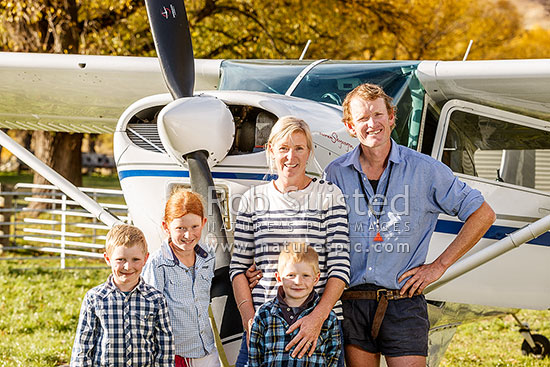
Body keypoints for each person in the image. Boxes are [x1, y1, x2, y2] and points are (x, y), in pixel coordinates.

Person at [324, 83, 496, 367]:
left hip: (403, 302)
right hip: (352, 301)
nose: (372, 124)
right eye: (363, 118)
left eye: (378, 115)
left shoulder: (426, 170)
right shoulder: (336, 173)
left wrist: (439, 266)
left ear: (392, 117)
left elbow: (483, 214)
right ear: (350, 126)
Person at [230, 116, 350, 367]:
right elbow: (238, 270)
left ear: (309, 152)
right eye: (283, 148)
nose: (290, 157)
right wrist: (249, 319)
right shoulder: (253, 199)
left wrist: (316, 319)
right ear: (271, 149)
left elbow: (340, 268)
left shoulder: (328, 195)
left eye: (299, 148)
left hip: (320, 326)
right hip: (266, 324)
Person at [71, 224, 174, 367]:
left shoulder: (156, 300)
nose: (128, 267)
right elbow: (82, 347)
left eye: (135, 259)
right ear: (108, 259)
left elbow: (165, 347)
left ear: (145, 258)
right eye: (121, 259)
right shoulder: (94, 298)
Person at [142, 189, 220, 367]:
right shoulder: (157, 264)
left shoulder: (208, 256)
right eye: (180, 228)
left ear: (203, 222)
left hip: (207, 349)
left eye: (194, 227)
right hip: (177, 354)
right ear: (166, 227)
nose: (188, 235)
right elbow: (149, 313)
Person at [248, 243, 341, 367]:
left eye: (305, 275)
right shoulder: (264, 314)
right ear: (279, 277)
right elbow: (255, 358)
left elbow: (333, 357)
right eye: (291, 275)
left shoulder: (328, 318)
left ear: (316, 278)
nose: (298, 282)